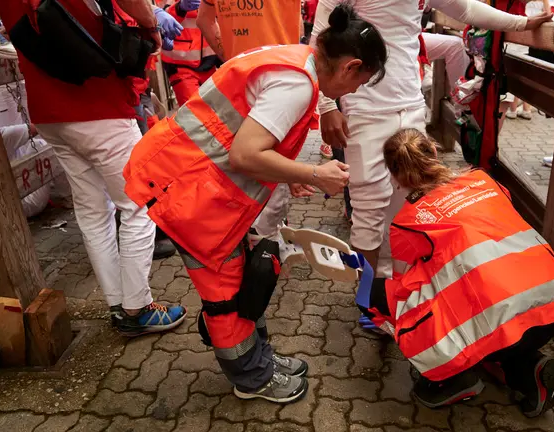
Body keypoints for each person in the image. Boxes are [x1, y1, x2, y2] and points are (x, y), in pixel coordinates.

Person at [124, 5, 387, 404]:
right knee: (227, 295)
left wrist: (290, 175)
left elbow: (248, 142)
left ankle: (259, 358)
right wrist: (313, 174)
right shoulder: (297, 85)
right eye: (360, 83)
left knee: (248, 276)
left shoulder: (294, 60)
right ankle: (252, 378)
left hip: (192, 185)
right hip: (188, 193)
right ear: (350, 67)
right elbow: (246, 155)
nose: (353, 93)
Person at [313, 0, 551, 279]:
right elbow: (318, 43)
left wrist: (521, 23)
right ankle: (368, 300)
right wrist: (327, 107)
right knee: (369, 209)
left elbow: (466, 9)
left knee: (409, 201)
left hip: (412, 106)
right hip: (365, 109)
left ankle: (399, 288)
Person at [356, 128, 554, 416]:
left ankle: (453, 377)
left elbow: (406, 288)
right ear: (435, 153)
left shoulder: (407, 222)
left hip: (503, 322)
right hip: (551, 312)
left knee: (382, 295)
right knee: (497, 322)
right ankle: (530, 373)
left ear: (394, 175)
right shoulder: (483, 180)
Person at [0, 0, 188, 336]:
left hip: (49, 111)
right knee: (138, 204)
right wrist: (152, 25)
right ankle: (137, 307)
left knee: (93, 210)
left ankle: (119, 305)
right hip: (99, 102)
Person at [197, 0, 304, 247]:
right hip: (281, 74)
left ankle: (253, 233)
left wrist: (231, 55)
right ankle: (265, 241)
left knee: (245, 158)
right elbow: (300, 26)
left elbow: (204, 19)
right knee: (270, 157)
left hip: (238, 77)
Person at [161, 0, 218, 106]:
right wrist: (180, 8)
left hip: (209, 62)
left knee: (215, 110)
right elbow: (161, 18)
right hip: (181, 64)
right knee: (193, 112)